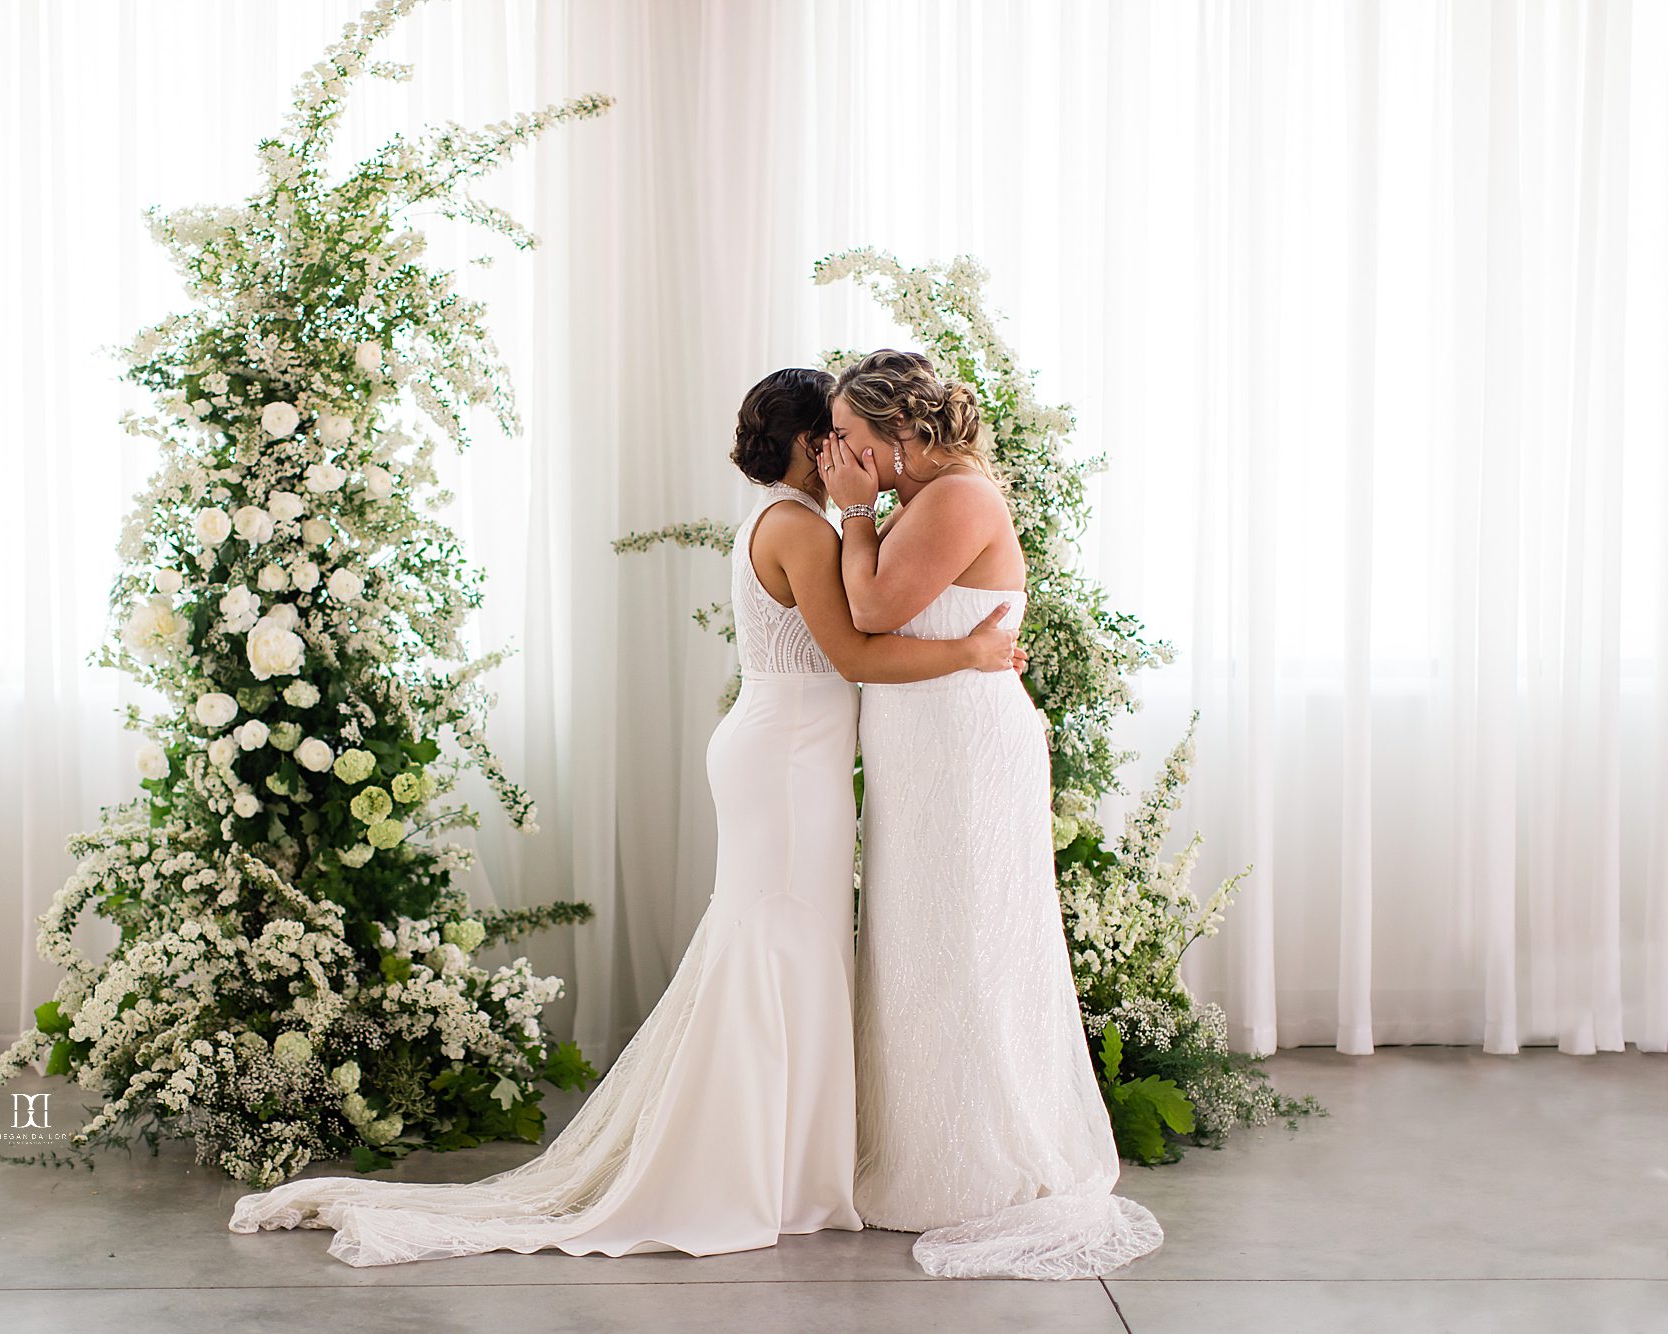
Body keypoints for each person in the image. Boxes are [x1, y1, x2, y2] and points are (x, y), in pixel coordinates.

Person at [226, 367, 1025, 1265]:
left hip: (786, 753)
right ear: (813, 446)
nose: (853, 454)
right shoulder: (801, 527)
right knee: (776, 951)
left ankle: (790, 1165)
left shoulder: (785, 520)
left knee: (784, 949)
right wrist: (965, 644)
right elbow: (853, 652)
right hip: (792, 762)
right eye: (836, 437)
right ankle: (752, 1171)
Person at [820, 348, 1165, 1280]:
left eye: (850, 436)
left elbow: (876, 605)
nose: (837, 453)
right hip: (924, 755)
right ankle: (923, 1147)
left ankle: (967, 1167)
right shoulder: (920, 499)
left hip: (965, 757)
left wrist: (853, 516)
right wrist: (865, 511)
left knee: (962, 943)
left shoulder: (959, 498)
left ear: (901, 431)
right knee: (921, 943)